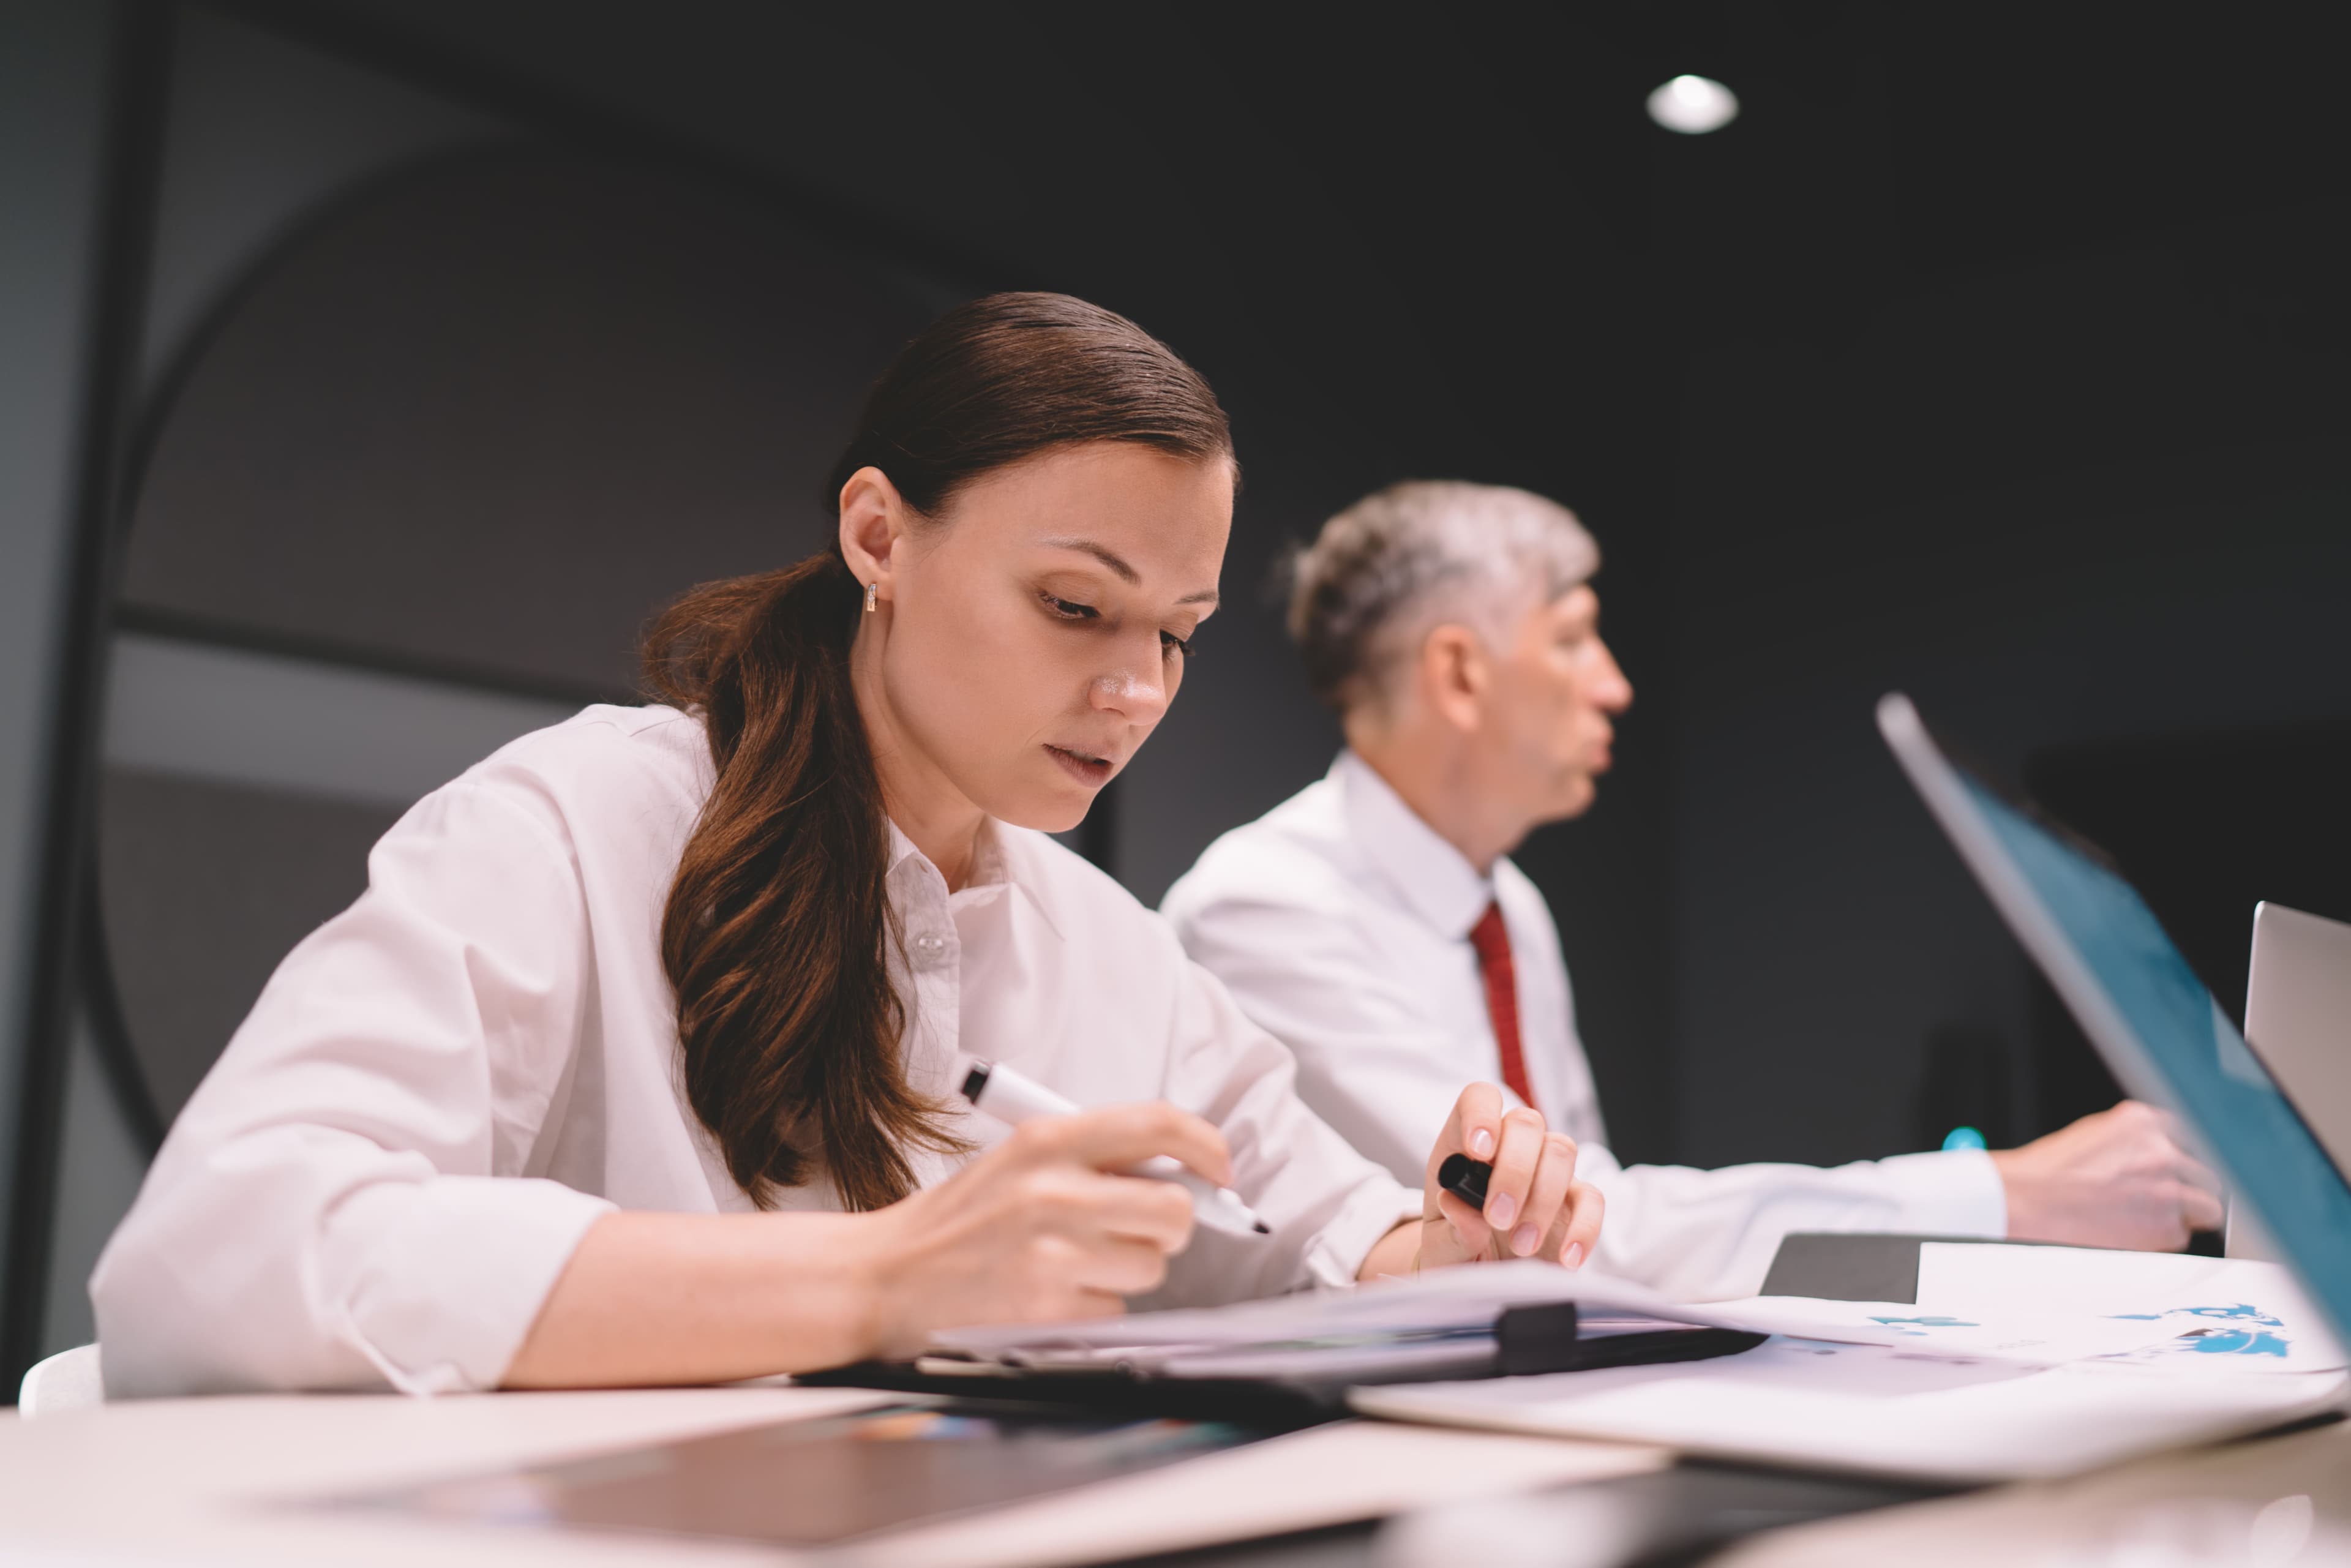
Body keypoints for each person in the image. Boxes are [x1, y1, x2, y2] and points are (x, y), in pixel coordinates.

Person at [91, 301, 1603, 1398]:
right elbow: (219, 1256)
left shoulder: (1110, 949)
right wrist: (884, 1276)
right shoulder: (575, 826)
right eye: (1076, 608)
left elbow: (1318, 1224)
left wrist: (1450, 1245)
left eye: (1177, 635)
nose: (1137, 690)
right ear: (879, 537)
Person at [1161, 479, 2225, 1302]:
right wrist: (2003, 1193)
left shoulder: (1508, 908)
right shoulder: (1266, 908)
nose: (1614, 683)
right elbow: (1569, 1231)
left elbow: (1587, 1221)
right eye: (1572, 638)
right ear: (1460, 673)